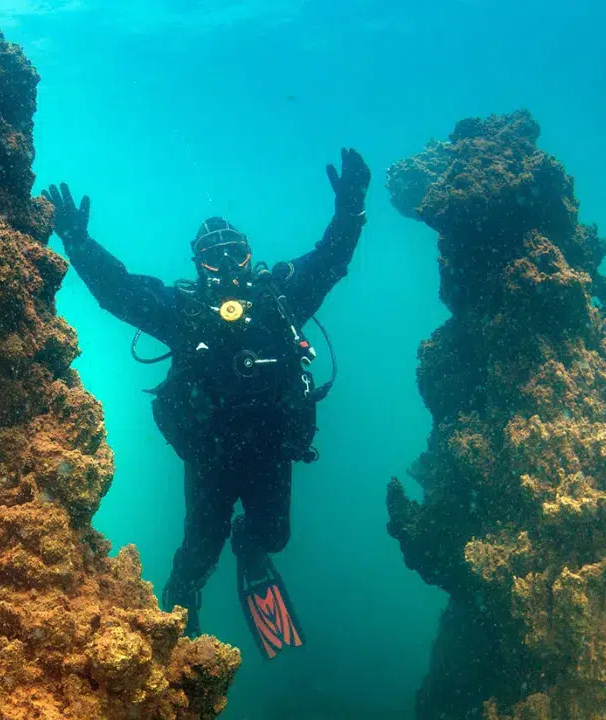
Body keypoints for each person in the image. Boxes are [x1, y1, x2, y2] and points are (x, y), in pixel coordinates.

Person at [44, 149, 370, 657]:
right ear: (196, 262)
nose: (224, 264)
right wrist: (79, 243)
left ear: (249, 254)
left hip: (269, 450)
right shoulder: (183, 311)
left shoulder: (280, 300)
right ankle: (182, 594)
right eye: (211, 255)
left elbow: (330, 261)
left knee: (273, 536)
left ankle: (251, 548)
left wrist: (350, 213)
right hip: (211, 456)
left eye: (234, 252)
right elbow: (119, 291)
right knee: (199, 549)